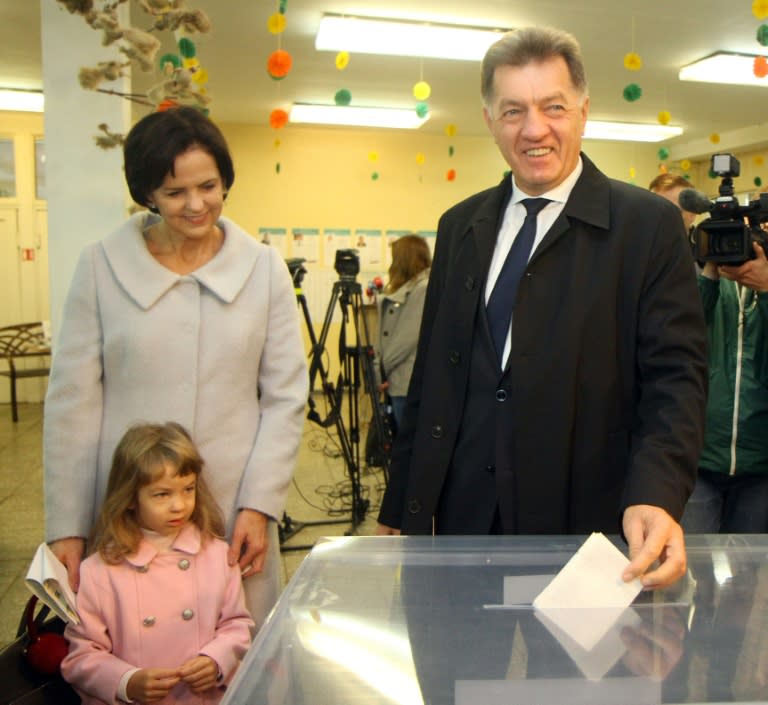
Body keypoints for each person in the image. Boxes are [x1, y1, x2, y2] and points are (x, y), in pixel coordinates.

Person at [376, 26, 707, 590]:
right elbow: (435, 371)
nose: (534, 129)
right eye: (513, 111)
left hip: (589, 526)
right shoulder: (461, 226)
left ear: (582, 110)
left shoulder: (645, 226)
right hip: (464, 521)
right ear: (489, 120)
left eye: (553, 107)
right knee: (456, 672)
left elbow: (676, 380)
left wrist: (656, 491)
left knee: (580, 678)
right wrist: (401, 501)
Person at [44, 106, 308, 629]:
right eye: (174, 193)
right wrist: (66, 527)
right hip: (128, 512)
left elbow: (285, 398)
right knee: (132, 659)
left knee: (234, 653)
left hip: (232, 509)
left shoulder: (262, 269)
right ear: (146, 194)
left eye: (208, 186)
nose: (196, 205)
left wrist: (261, 505)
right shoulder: (101, 267)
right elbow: (73, 401)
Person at [61, 422, 254, 705]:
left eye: (188, 489)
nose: (179, 505)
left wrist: (216, 660)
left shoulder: (217, 555)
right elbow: (82, 655)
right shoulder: (100, 571)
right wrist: (126, 682)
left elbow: (237, 624)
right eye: (162, 494)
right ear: (129, 498)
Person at [681, 247, 768, 533]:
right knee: (692, 559)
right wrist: (709, 272)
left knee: (750, 563)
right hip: (700, 459)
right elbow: (683, 331)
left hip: (760, 463)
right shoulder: (703, 286)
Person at [374, 234, 431, 429]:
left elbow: (405, 339)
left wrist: (381, 371)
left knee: (408, 444)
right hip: (398, 379)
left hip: (406, 380)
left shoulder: (423, 289)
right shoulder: (411, 288)